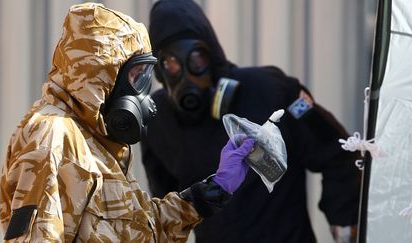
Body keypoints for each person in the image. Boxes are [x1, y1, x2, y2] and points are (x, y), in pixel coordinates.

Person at [0, 3, 255, 242]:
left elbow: (144, 229)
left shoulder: (97, 144)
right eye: (135, 75)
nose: (141, 91)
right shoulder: (51, 134)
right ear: (100, 75)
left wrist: (211, 191)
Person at [141, 0, 361, 242]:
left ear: (212, 56)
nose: (186, 74)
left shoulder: (272, 90)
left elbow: (338, 152)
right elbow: (165, 213)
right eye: (170, 64)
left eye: (196, 59)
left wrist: (343, 224)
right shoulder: (157, 120)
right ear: (160, 72)